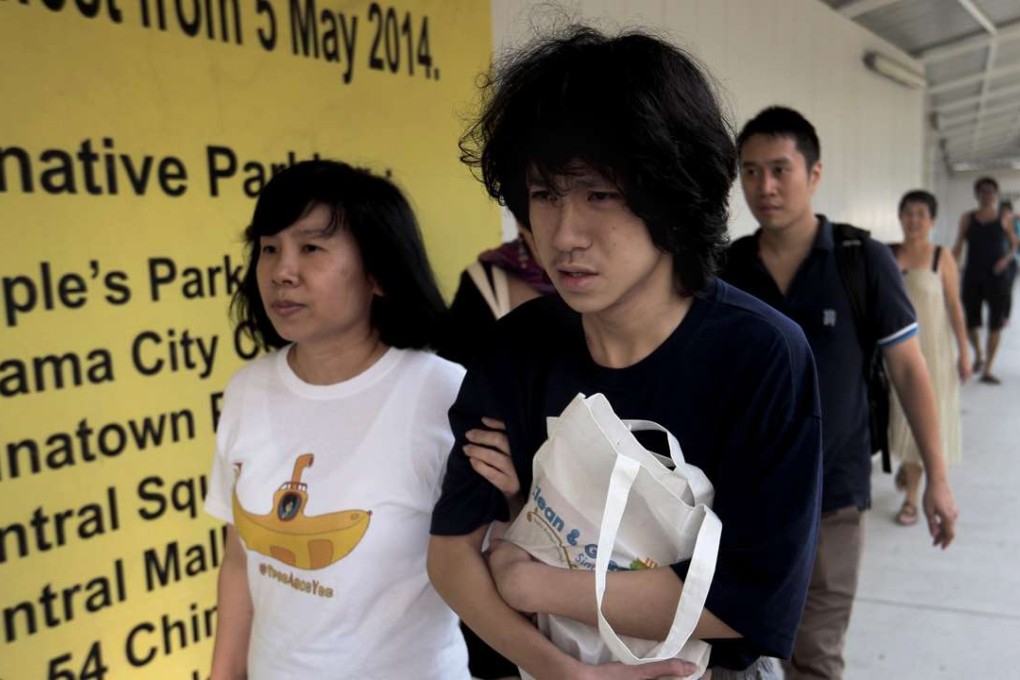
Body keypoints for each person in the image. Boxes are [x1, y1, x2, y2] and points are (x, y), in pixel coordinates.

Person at [429, 26, 824, 680]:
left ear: (671, 197)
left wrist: (534, 584)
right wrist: (562, 671)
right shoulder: (518, 346)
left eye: (600, 194)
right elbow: (450, 554)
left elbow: (752, 604)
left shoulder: (761, 357)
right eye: (545, 194)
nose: (564, 234)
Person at [204, 160, 470, 679]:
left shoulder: (441, 393)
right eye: (268, 248)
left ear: (378, 272)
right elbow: (241, 558)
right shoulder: (246, 390)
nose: (282, 270)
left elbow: (496, 561)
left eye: (311, 248)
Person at [721, 106, 958, 680]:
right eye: (751, 172)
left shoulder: (862, 260)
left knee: (816, 658)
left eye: (780, 169)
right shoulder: (726, 269)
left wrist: (937, 479)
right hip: (737, 503)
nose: (765, 187)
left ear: (815, 173)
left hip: (833, 496)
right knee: (732, 657)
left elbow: (909, 371)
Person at [888, 190, 970, 527]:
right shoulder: (888, 255)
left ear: (932, 221)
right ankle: (908, 472)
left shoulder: (941, 257)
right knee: (897, 420)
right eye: (908, 213)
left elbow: (953, 304)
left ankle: (911, 497)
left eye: (921, 214)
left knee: (924, 419)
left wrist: (965, 350)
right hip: (895, 354)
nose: (914, 220)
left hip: (933, 353)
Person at [951, 177, 1018, 384]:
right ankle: (978, 354)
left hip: (997, 277)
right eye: (982, 191)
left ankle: (987, 368)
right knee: (970, 321)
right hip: (972, 274)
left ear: (996, 195)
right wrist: (950, 267)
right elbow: (958, 245)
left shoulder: (1004, 218)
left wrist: (1005, 261)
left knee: (995, 323)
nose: (987, 195)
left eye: (990, 192)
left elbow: (1014, 245)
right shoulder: (968, 218)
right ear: (977, 195)